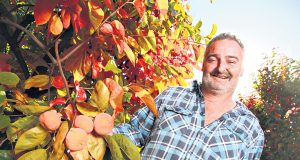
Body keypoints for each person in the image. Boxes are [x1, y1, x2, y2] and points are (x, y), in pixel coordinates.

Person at [113, 33, 265, 159]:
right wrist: (98, 134)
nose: (221, 67)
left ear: (242, 69)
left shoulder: (250, 129)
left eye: (231, 61)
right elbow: (134, 132)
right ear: (203, 64)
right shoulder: (171, 96)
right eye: (213, 59)